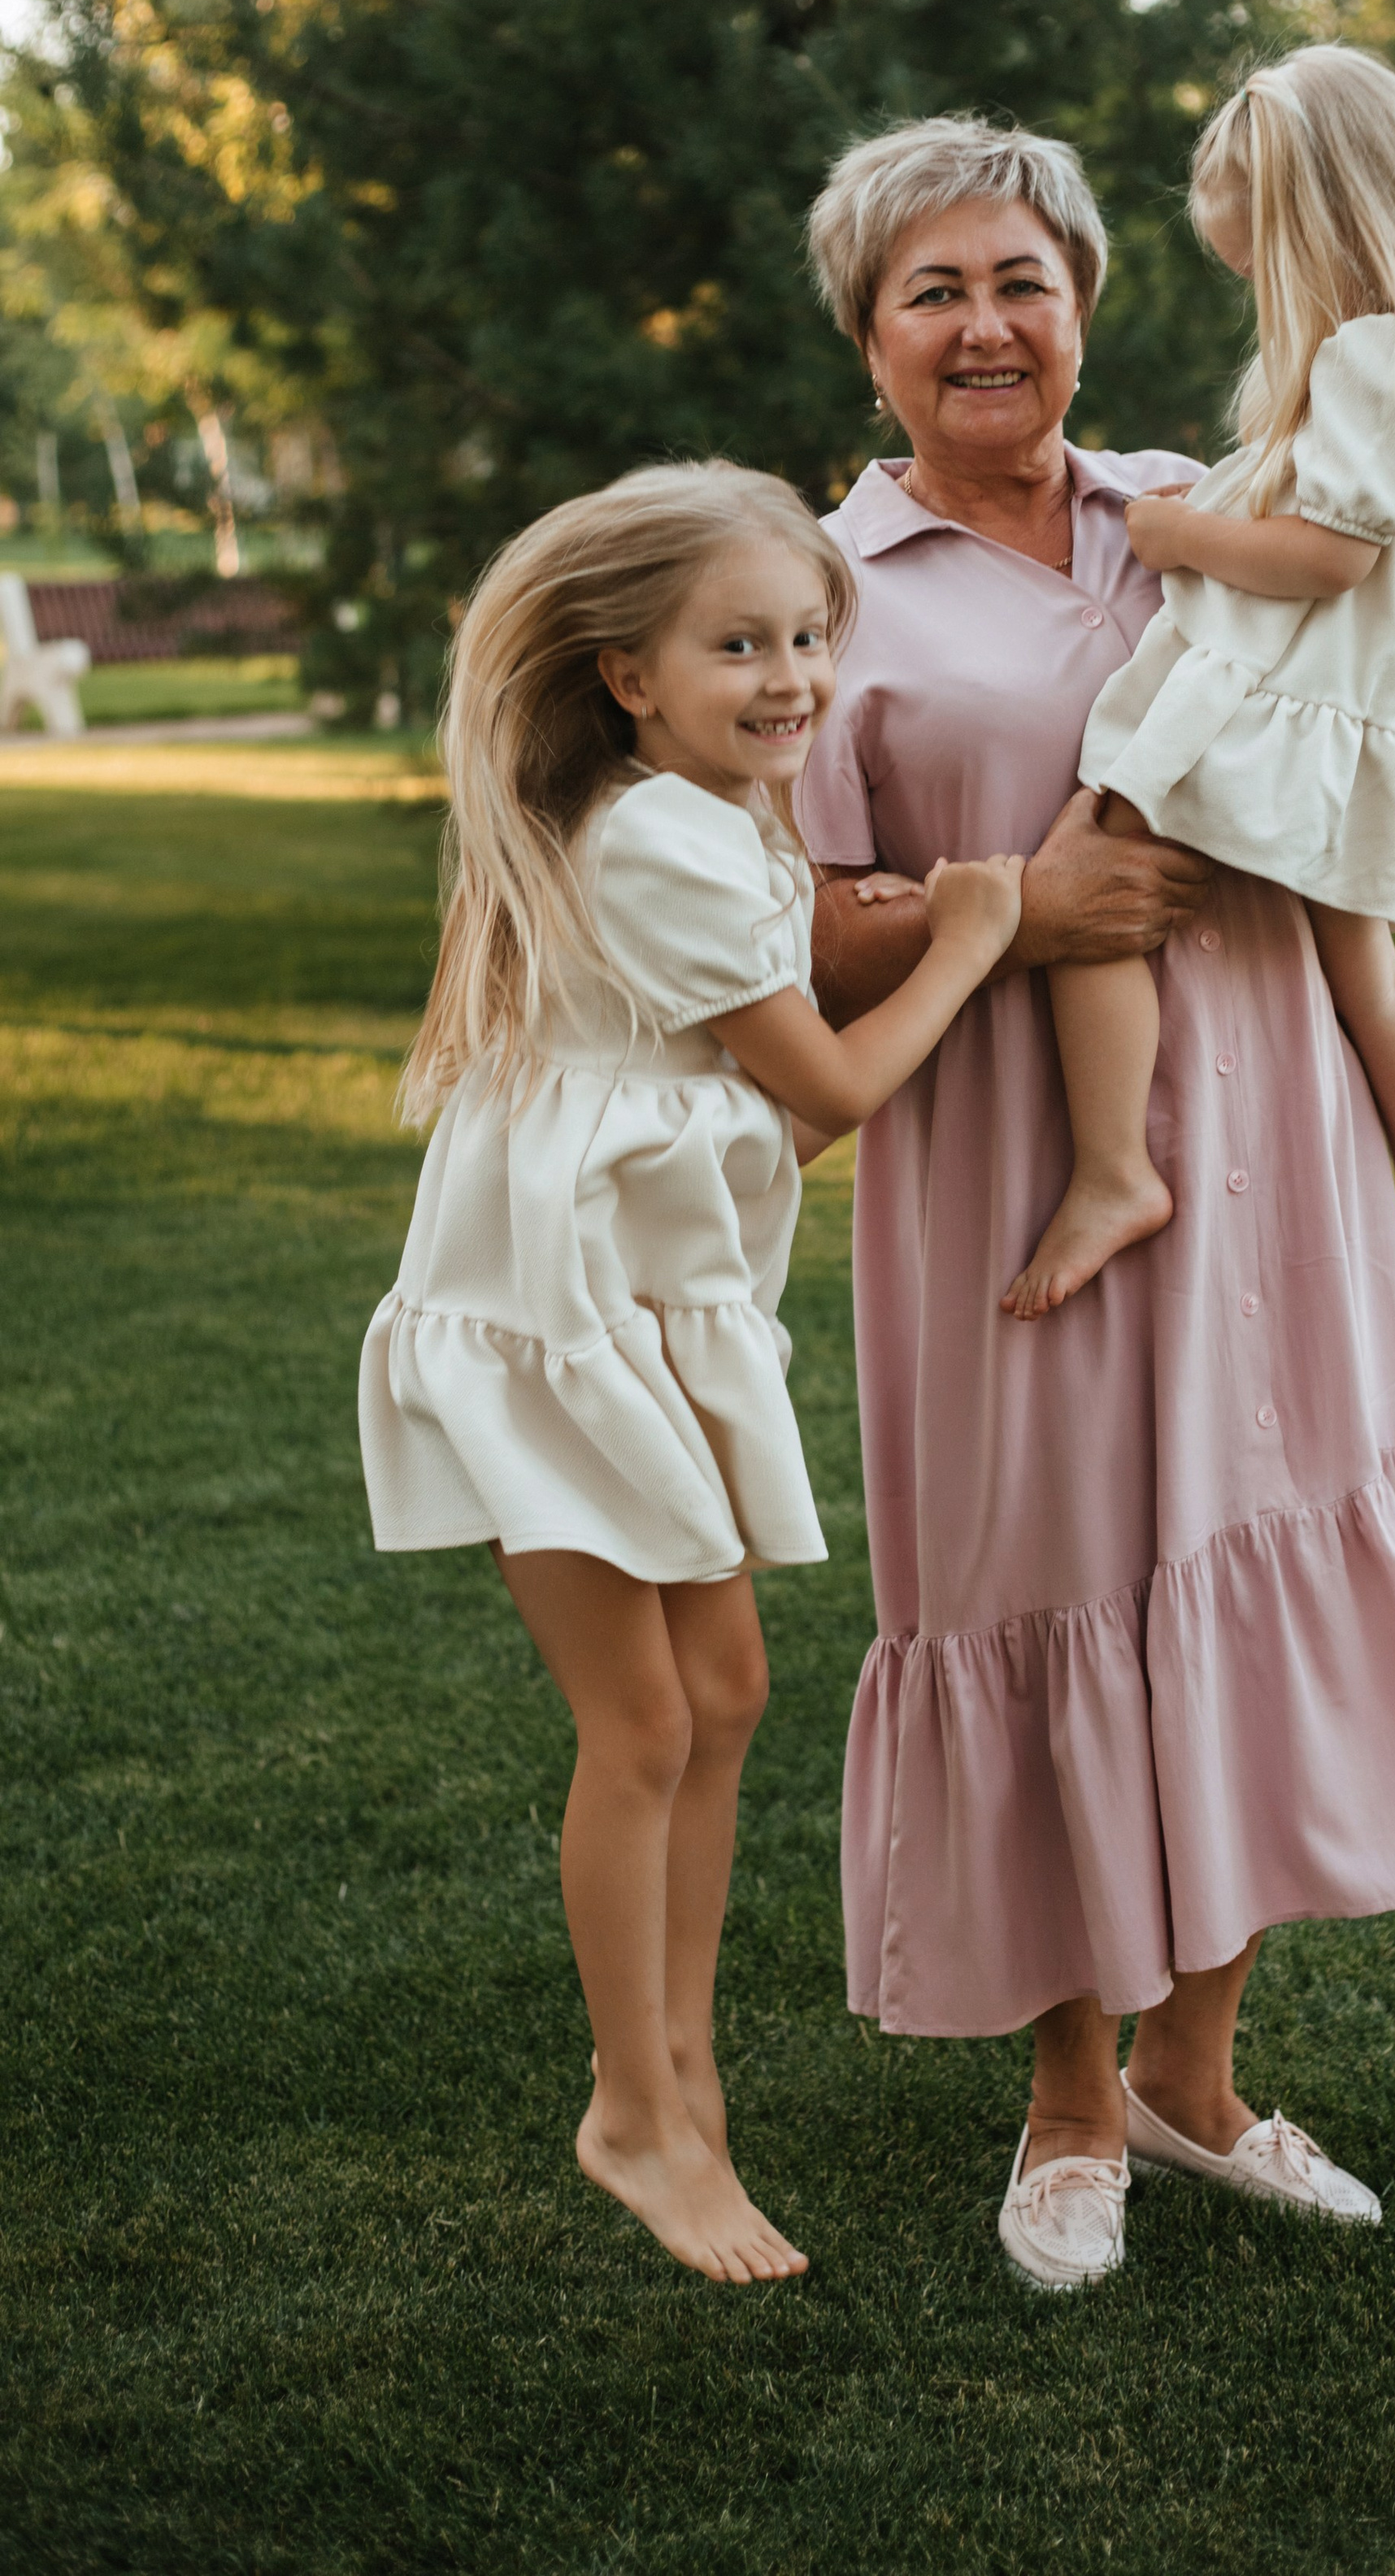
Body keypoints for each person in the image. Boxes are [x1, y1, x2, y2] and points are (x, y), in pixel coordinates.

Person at [799, 115, 1395, 2291]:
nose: (986, 324)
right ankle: (1070, 2101)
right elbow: (773, 932)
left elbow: (1373, 716)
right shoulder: (822, 593)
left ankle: (1198, 2075)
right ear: (870, 338)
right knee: (1050, 1586)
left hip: (1273, 1160)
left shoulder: (1207, 499)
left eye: (1024, 280)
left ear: (1084, 307)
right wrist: (1014, 903)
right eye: (934, 291)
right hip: (1013, 1173)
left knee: (1243, 1581)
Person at [359, 463, 1023, 2285]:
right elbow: (829, 1092)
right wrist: (974, 940)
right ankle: (634, 2110)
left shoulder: (708, 821)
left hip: (643, 1299)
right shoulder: (661, 837)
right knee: (643, 1722)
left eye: (809, 636)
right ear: (626, 675)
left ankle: (681, 2064)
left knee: (722, 1692)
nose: (790, 677)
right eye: (739, 646)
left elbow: (739, 1126)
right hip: (559, 1317)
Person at [1003, 46, 1395, 1323]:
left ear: (1324, 224)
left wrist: (1180, 536)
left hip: (1287, 711)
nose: (1249, 284)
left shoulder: (1374, 359)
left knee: (1096, 873)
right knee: (1367, 976)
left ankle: (1115, 1171)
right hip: (1340, 713)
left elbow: (1326, 560)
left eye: (1256, 258)